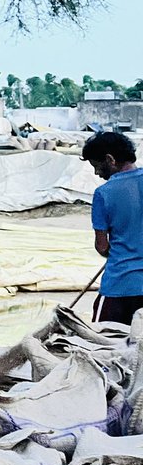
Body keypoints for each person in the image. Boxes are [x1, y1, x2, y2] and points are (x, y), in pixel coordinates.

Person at [81, 131, 143, 326]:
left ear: (110, 159)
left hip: (120, 286)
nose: (96, 173)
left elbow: (102, 246)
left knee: (102, 340)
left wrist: (118, 252)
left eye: (96, 166)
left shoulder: (103, 194)